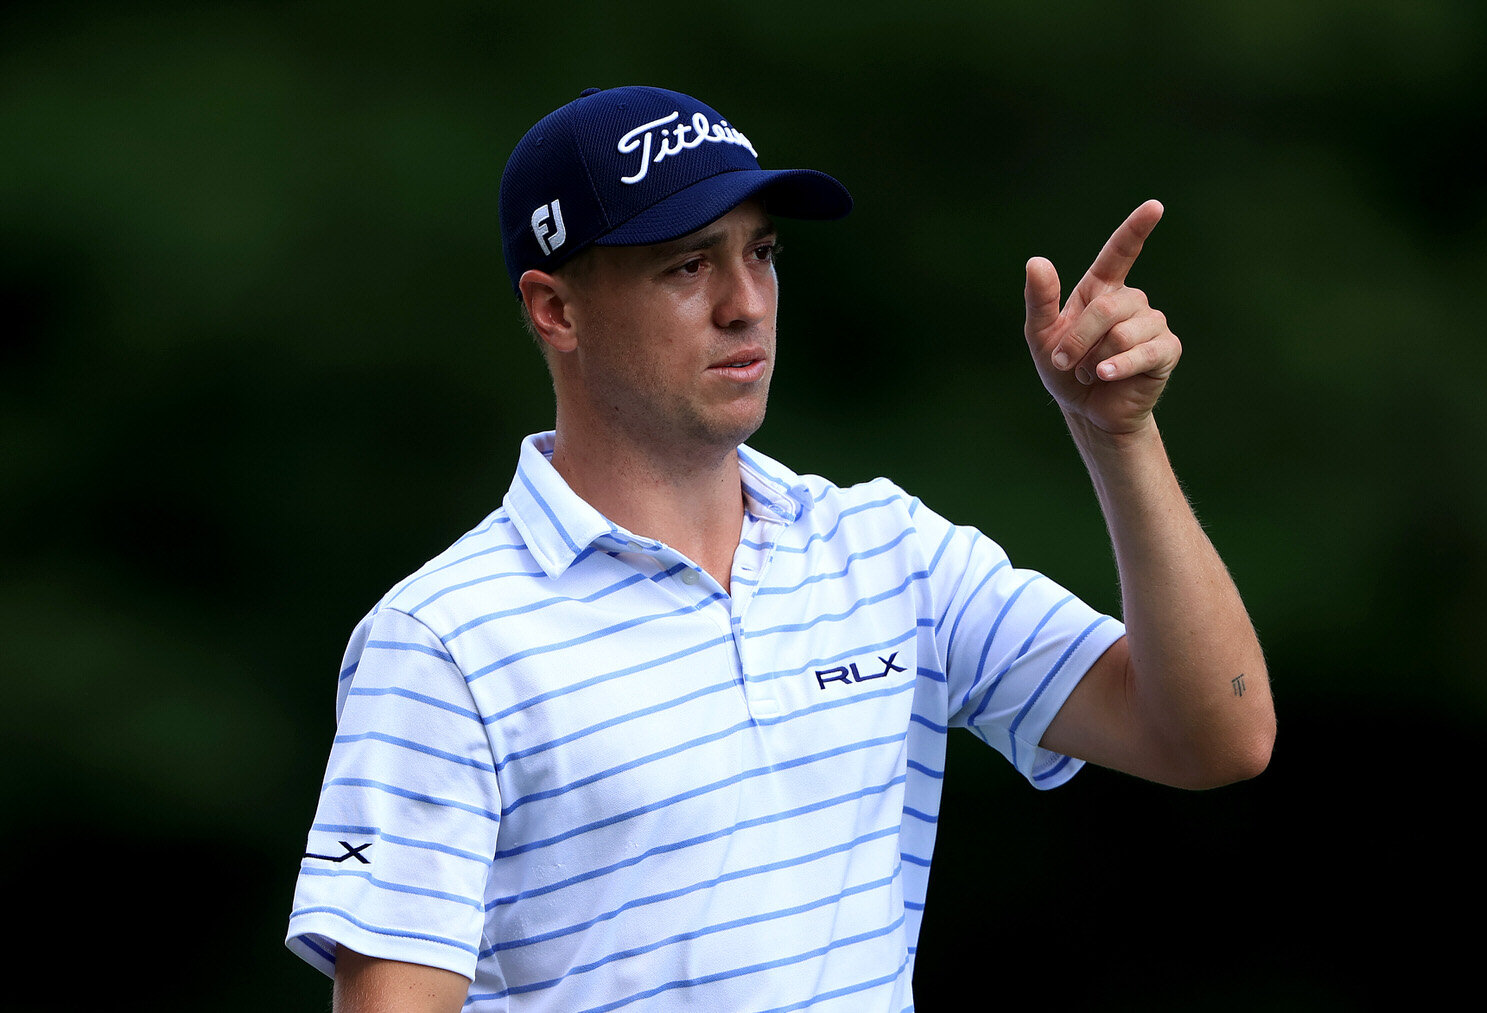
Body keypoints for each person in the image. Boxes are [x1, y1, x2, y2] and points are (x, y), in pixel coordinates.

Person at [286, 84, 1275, 1012]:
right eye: (686, 263)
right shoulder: (442, 642)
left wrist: (1118, 437)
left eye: (759, 253)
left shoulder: (886, 550)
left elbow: (1212, 734)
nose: (743, 301)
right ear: (556, 308)